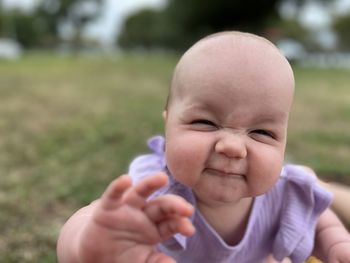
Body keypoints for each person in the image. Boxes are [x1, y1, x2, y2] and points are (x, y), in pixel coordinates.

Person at [57, 31, 350, 263]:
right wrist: (86, 245)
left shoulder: (286, 191)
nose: (233, 147)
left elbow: (319, 217)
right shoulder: (155, 189)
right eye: (206, 123)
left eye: (261, 132)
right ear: (168, 125)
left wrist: (337, 242)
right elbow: (91, 217)